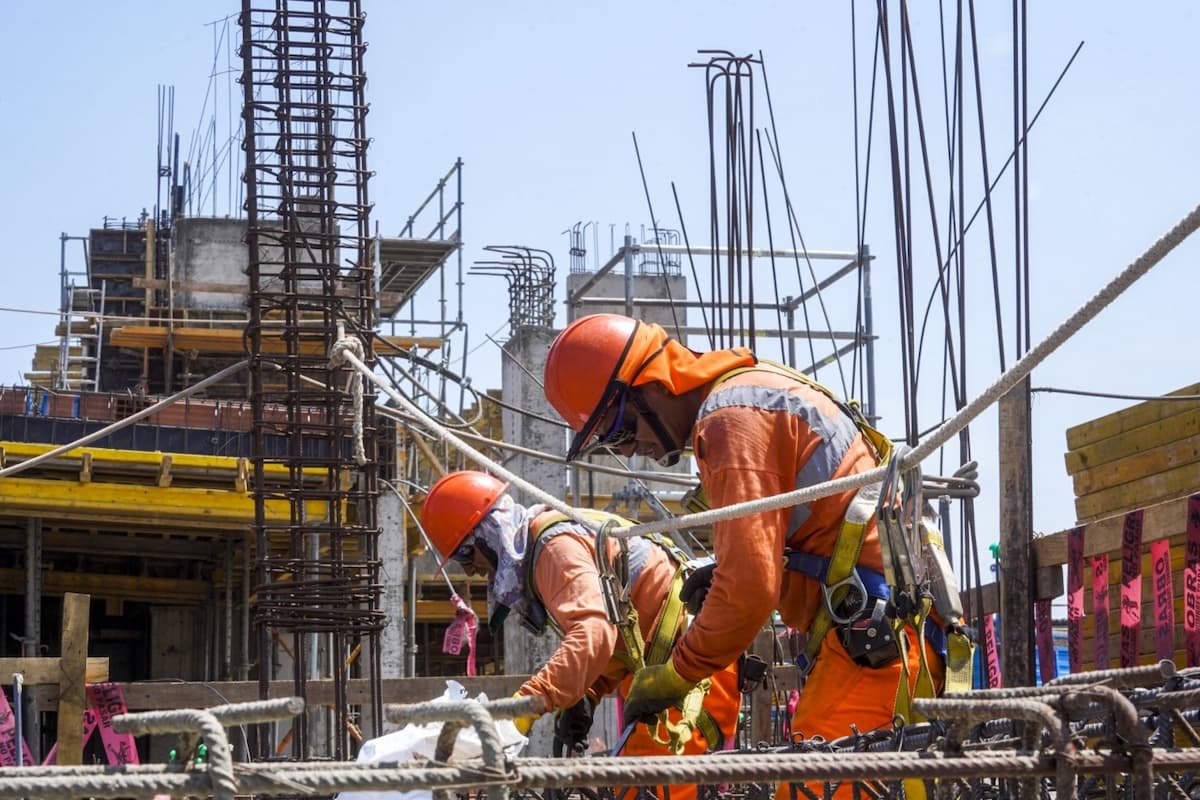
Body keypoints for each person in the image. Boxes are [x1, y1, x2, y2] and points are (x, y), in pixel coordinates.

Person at [542, 313, 958, 759]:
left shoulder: (728, 422)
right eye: (610, 442)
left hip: (878, 643)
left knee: (810, 788)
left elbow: (749, 592)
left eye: (621, 430)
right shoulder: (749, 398)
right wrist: (725, 570)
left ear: (656, 385)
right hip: (883, 633)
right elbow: (806, 533)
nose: (627, 450)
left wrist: (676, 674)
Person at [420, 469, 740, 800]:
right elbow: (620, 630)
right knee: (637, 786)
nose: (469, 569)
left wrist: (528, 705)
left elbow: (594, 633)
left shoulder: (553, 548)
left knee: (648, 789)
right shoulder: (545, 550)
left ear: (489, 533)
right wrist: (588, 694)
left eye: (464, 555)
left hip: (690, 668)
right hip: (670, 666)